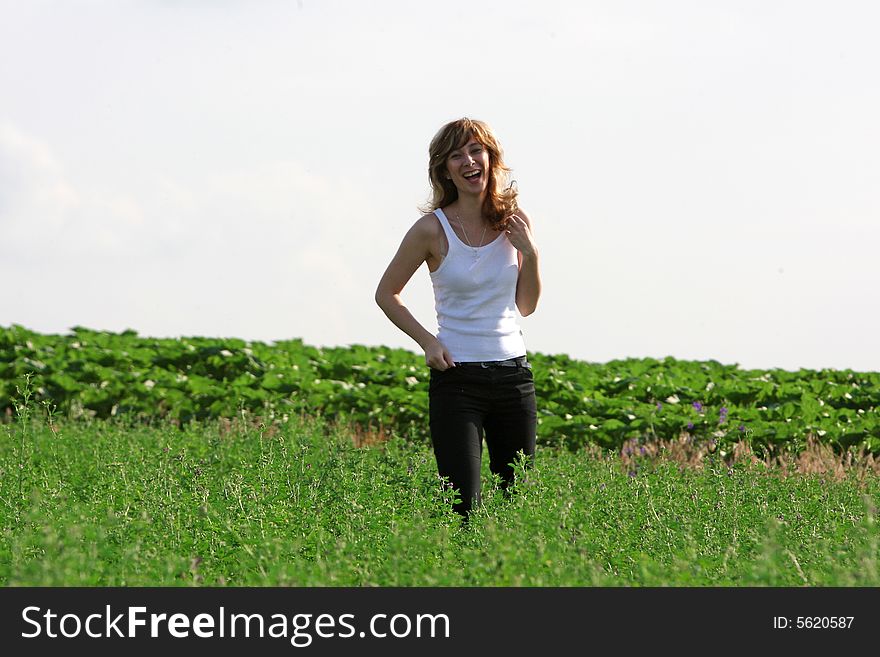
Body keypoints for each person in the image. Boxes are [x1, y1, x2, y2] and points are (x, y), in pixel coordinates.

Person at [375, 117, 541, 517]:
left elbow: (527, 305)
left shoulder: (515, 222)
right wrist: (428, 342)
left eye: (475, 150)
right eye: (456, 155)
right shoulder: (431, 230)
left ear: (490, 158)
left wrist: (531, 254)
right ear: (444, 169)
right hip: (457, 380)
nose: (469, 161)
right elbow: (386, 294)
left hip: (513, 378)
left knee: (517, 503)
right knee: (462, 506)